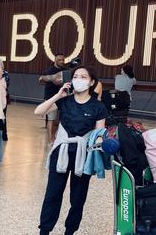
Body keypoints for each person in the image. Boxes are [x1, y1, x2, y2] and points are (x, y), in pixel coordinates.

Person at [35, 66, 107, 235]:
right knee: (52, 194)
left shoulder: (98, 107)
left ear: (91, 82)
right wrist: (59, 95)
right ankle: (44, 230)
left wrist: (99, 145)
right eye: (75, 76)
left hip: (83, 156)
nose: (78, 79)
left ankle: (70, 230)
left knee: (78, 198)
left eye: (83, 77)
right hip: (61, 152)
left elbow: (99, 135)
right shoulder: (64, 101)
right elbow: (38, 111)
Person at [38, 54, 67, 143]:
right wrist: (51, 78)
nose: (61, 61)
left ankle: (55, 138)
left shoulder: (65, 71)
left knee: (59, 120)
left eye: (63, 60)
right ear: (55, 60)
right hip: (51, 98)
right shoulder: (49, 70)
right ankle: (50, 140)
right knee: (51, 119)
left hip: (62, 99)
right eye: (59, 60)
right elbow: (40, 80)